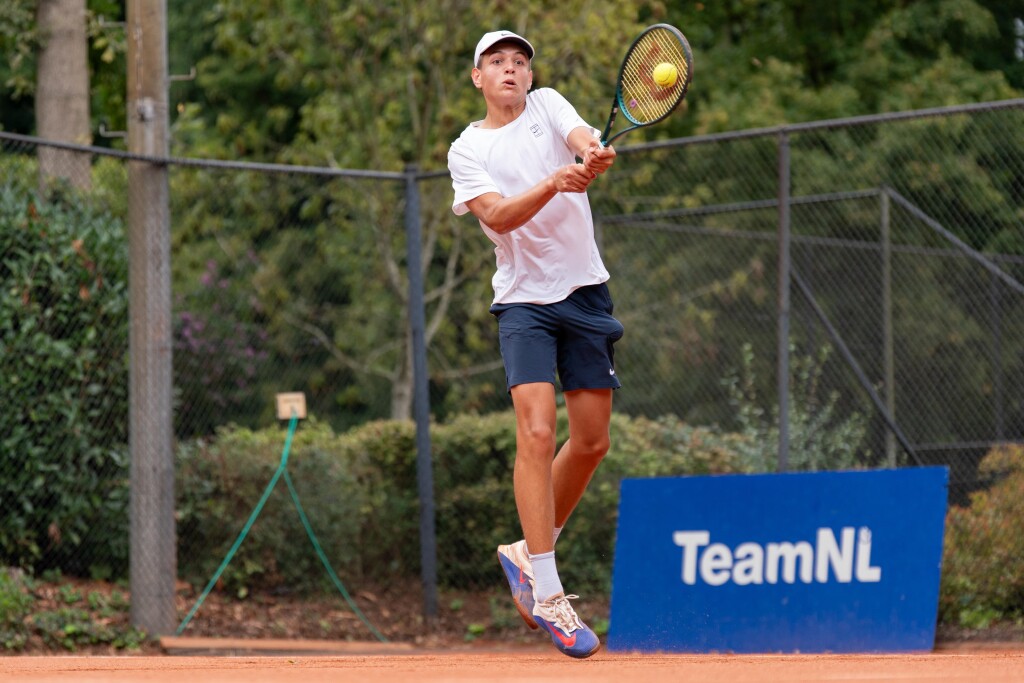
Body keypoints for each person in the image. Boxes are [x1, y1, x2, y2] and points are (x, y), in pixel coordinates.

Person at [447, 29, 621, 659]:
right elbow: (495, 216)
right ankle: (547, 591)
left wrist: (592, 154)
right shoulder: (466, 149)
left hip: (586, 294)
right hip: (524, 301)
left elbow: (582, 138)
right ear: (478, 77)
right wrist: (556, 183)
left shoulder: (549, 104)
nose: (511, 70)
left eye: (519, 62)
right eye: (497, 62)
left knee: (594, 439)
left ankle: (525, 549)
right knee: (538, 431)